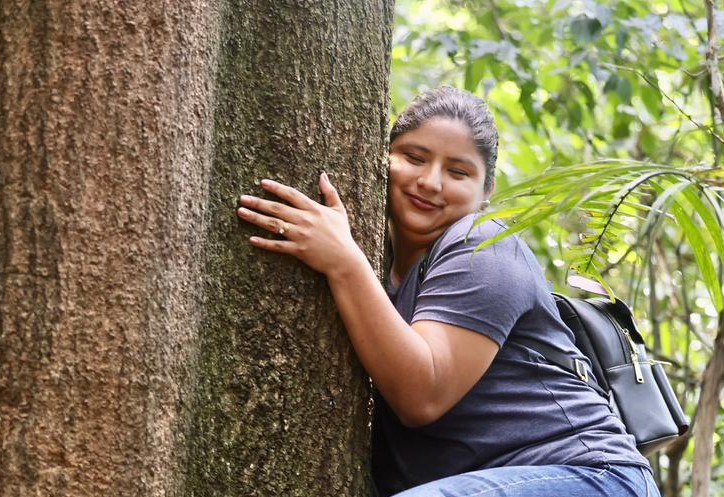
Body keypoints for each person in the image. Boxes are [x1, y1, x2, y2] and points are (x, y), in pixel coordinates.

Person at [236, 86, 661, 497]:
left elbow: (424, 394)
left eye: (458, 171)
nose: (431, 182)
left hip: (591, 478)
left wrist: (343, 261)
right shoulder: (388, 271)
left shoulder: (485, 243)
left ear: (485, 192)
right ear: (381, 159)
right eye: (413, 157)